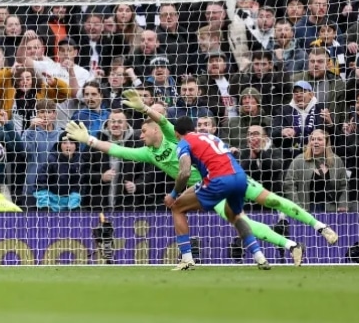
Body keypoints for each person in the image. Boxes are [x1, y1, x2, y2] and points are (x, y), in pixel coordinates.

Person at [64, 90, 337, 266]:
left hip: (216, 178)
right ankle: (288, 245)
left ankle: (318, 226)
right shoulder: (148, 153)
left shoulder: (173, 136)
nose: (141, 134)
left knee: (271, 202)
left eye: (144, 130)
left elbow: (163, 121)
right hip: (207, 186)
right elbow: (114, 148)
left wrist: (145, 108)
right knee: (240, 219)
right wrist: (87, 138)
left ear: (155, 130)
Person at [170, 116, 271, 270]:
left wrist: (173, 194)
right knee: (234, 215)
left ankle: (187, 260)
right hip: (239, 177)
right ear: (194, 129)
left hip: (219, 180)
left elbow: (185, 173)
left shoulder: (184, 143)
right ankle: (260, 257)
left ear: (177, 134)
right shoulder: (211, 137)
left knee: (177, 207)